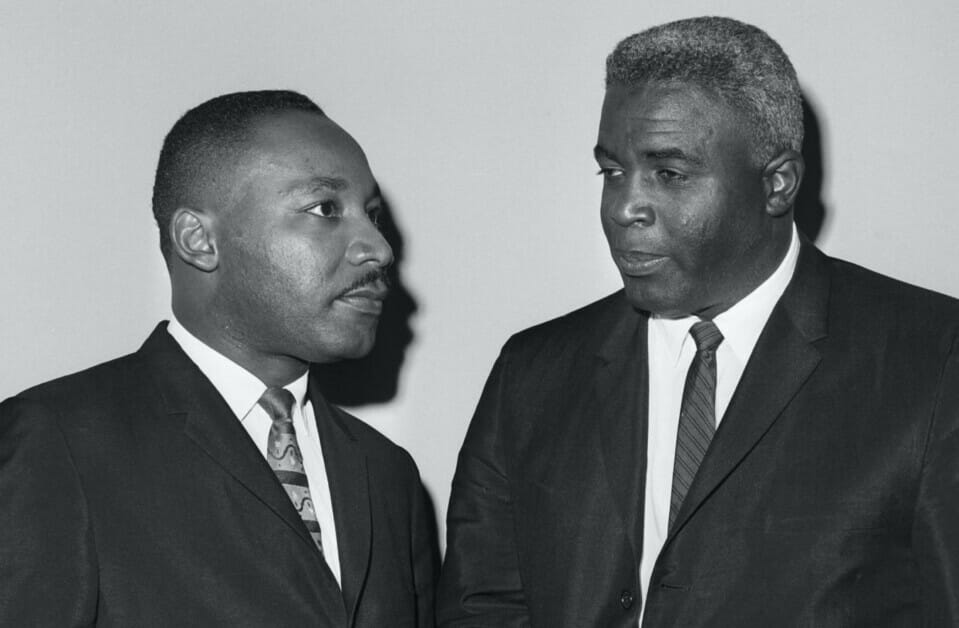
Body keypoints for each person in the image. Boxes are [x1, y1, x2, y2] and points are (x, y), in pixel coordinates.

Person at [437, 16, 959, 627]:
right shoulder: (531, 374)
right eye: (612, 171)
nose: (623, 207)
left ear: (778, 184)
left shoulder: (932, 360)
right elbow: (482, 609)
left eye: (670, 174)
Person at [0, 90, 437, 626]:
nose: (379, 248)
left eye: (372, 215)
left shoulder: (387, 474)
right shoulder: (59, 441)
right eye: (326, 209)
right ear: (199, 240)